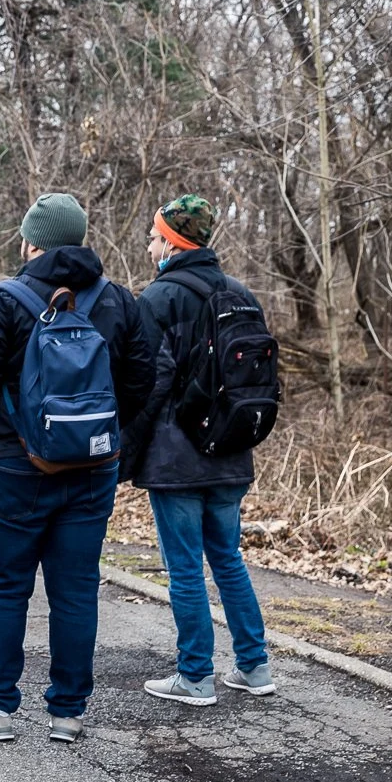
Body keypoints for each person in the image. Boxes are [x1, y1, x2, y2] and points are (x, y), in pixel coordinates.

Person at [0, 193, 155, 744]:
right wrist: (105, 441)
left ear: (31, 241)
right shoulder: (119, 302)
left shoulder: (5, 300)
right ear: (81, 238)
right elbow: (143, 381)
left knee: (2, 586)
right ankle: (67, 713)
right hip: (92, 471)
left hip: (13, 467)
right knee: (76, 590)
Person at [126, 195, 274, 706]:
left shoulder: (159, 298)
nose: (149, 245)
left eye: (153, 236)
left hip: (177, 459)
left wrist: (128, 450)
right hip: (232, 451)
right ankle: (254, 667)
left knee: (185, 568)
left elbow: (150, 381)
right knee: (228, 559)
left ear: (171, 242)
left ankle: (194, 676)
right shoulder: (242, 294)